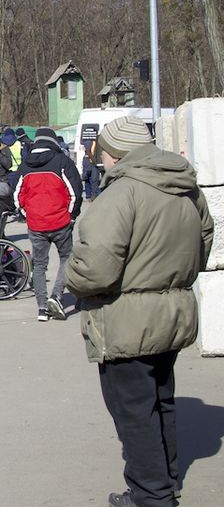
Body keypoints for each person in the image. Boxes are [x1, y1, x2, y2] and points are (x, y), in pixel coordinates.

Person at [66, 116, 214, 507]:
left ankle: (151, 497)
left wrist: (71, 276)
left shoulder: (122, 194)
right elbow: (203, 244)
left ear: (115, 155)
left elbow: (94, 268)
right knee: (160, 399)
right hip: (174, 311)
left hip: (127, 319)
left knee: (134, 413)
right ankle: (165, 483)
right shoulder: (186, 188)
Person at [13, 127, 83, 322]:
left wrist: (27, 214)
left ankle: (42, 308)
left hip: (36, 223)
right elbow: (76, 191)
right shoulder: (62, 161)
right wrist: (71, 215)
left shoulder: (25, 165)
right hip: (61, 221)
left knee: (39, 265)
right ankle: (56, 296)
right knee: (67, 258)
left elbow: (17, 196)